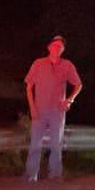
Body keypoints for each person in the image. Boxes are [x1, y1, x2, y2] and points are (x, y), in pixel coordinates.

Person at [24, 35, 83, 181]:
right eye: (55, 45)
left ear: (63, 50)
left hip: (57, 111)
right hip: (39, 109)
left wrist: (69, 100)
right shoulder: (38, 63)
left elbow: (78, 84)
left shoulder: (67, 65)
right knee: (35, 144)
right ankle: (31, 175)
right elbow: (29, 86)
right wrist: (32, 107)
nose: (57, 48)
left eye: (60, 47)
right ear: (49, 47)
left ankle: (55, 175)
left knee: (56, 144)